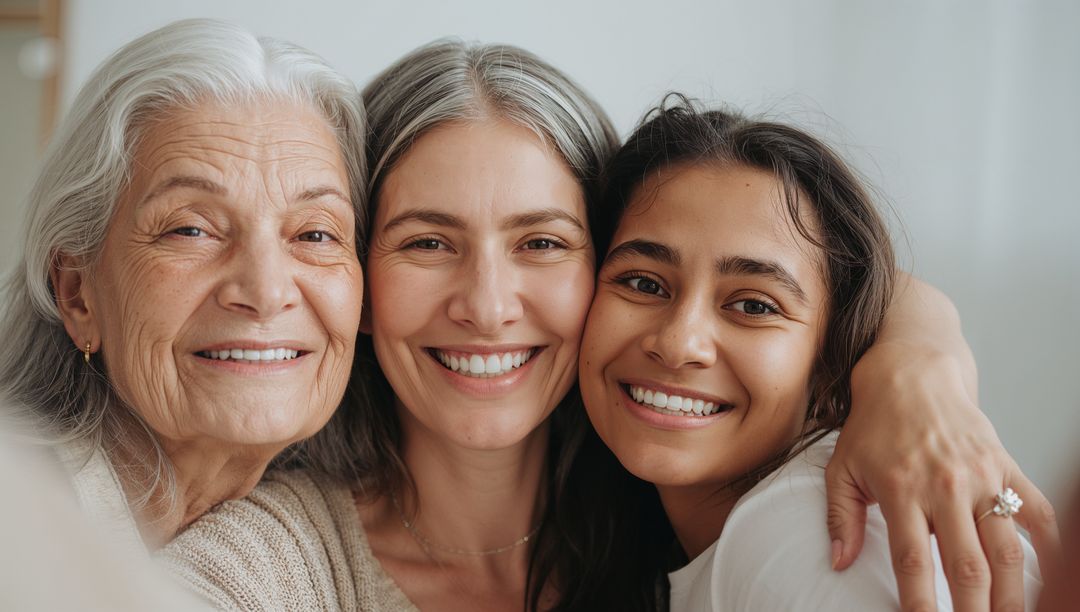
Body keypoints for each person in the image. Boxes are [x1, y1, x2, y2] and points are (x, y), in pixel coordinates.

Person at [163, 41, 1053, 611]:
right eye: (427, 241)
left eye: (542, 242)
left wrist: (919, 358)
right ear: (353, 269)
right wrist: (919, 360)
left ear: (600, 263)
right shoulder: (269, 563)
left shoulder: (708, 503)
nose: (486, 303)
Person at [580, 96, 1043, 610]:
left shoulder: (801, 533)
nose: (678, 342)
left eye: (754, 305)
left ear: (829, 359)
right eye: (644, 282)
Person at [0, 18, 367, 552]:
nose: (265, 292)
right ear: (77, 294)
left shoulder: (336, 538)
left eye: (315, 233)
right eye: (190, 229)